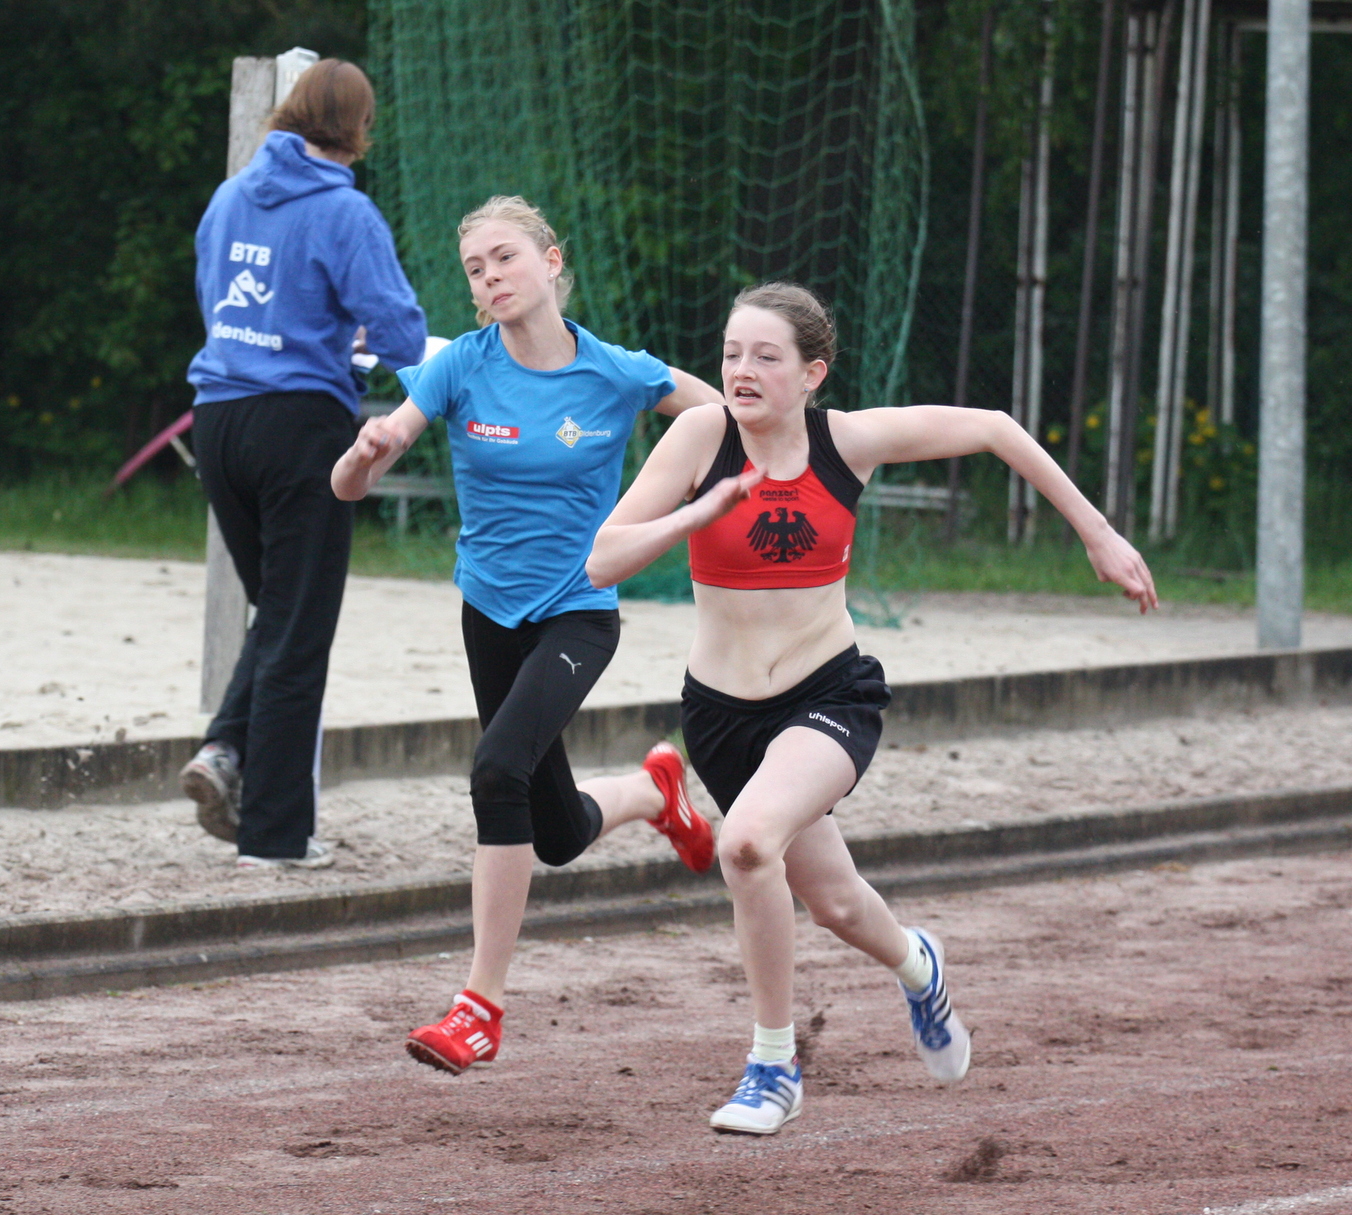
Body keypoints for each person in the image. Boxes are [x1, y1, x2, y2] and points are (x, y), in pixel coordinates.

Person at [587, 281, 1158, 1134]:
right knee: (838, 904)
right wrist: (697, 512)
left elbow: (996, 428)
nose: (742, 371)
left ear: (812, 372)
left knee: (745, 844)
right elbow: (602, 560)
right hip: (720, 715)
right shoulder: (701, 436)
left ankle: (773, 1066)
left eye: (766, 356)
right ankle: (920, 966)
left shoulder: (846, 442)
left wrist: (1097, 533)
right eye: (733, 353)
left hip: (827, 694)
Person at [331, 195, 726, 1074]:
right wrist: (364, 456)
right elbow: (351, 483)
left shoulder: (619, 372)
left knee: (496, 770)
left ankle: (479, 1007)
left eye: (505, 257)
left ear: (551, 261)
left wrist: (752, 477)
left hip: (579, 610)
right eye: (475, 269)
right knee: (553, 833)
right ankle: (655, 792)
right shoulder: (459, 366)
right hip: (489, 614)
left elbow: (723, 423)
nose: (490, 278)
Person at [180, 59, 428, 869]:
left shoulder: (228, 197)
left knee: (281, 611)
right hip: (299, 426)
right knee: (299, 626)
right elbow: (399, 332)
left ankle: (224, 749)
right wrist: (360, 346)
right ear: (359, 128)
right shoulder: (345, 211)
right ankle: (275, 834)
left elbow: (214, 298)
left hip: (218, 418)